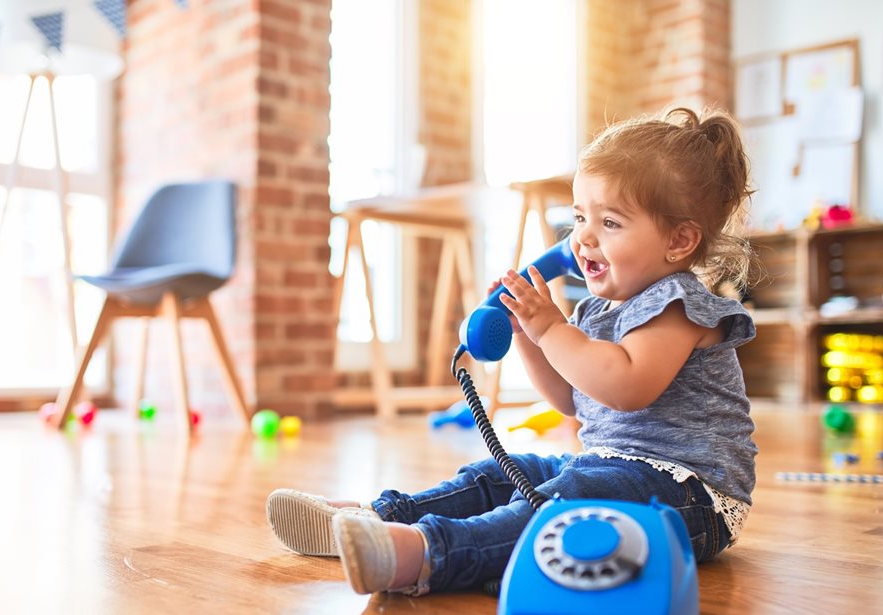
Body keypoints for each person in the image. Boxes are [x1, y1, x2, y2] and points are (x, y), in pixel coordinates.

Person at [266, 106, 759, 596]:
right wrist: (525, 332)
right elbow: (571, 399)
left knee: (561, 503)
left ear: (680, 240)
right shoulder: (595, 312)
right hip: (611, 470)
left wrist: (549, 329)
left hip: (694, 499)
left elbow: (625, 387)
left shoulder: (679, 306)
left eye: (610, 223)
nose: (582, 238)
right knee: (503, 473)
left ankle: (422, 554)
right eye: (580, 217)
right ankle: (375, 517)